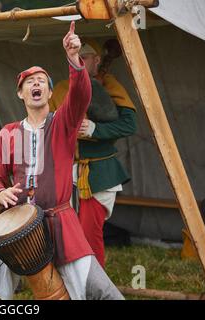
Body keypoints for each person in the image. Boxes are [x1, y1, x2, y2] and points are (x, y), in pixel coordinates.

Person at [0, 22, 124, 300]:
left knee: (104, 292)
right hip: (16, 226)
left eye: (42, 81)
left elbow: (80, 95)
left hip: (60, 223)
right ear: (20, 94)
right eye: (29, 82)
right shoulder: (8, 133)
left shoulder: (63, 124)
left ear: (50, 93)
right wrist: (0, 192)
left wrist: (74, 58)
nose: (36, 84)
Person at [49, 39, 137, 268]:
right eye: (75, 56)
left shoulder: (110, 86)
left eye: (84, 57)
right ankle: (70, 277)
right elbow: (47, 126)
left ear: (97, 60)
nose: (79, 60)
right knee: (65, 227)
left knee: (90, 231)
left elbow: (129, 125)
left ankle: (94, 284)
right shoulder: (60, 88)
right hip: (67, 169)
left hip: (99, 170)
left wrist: (97, 129)